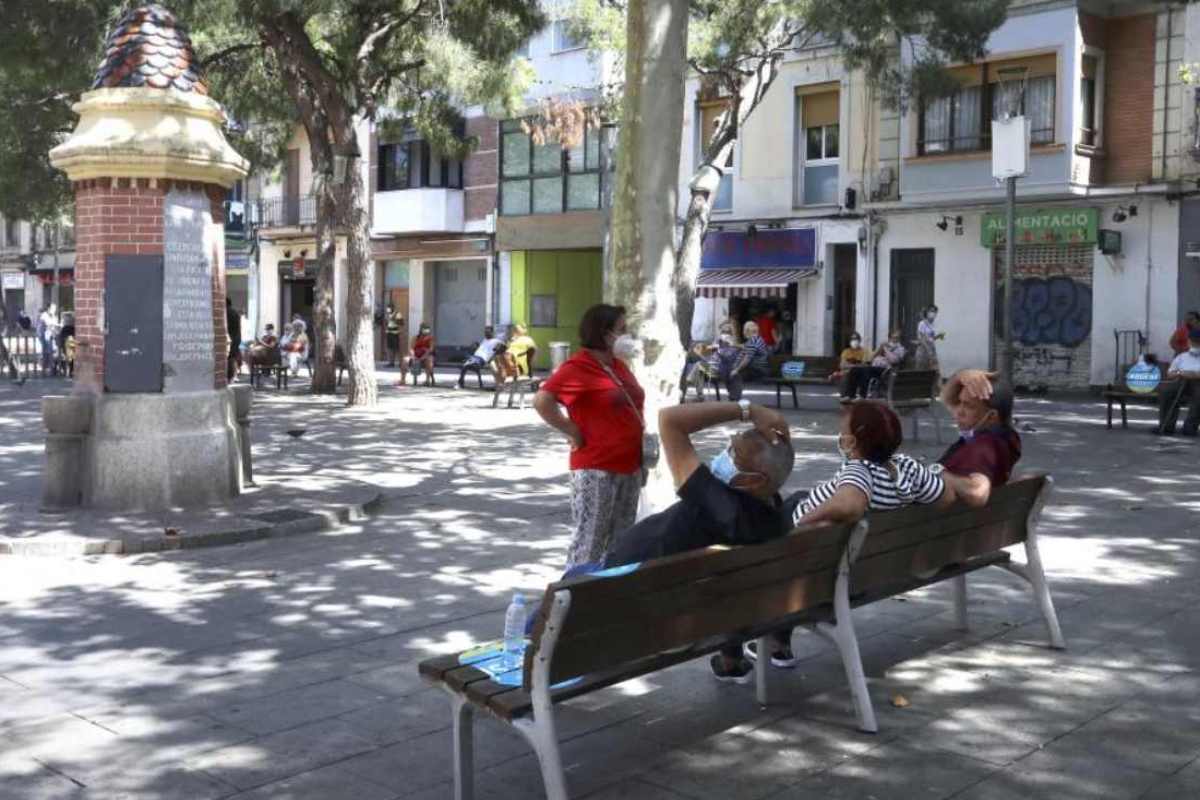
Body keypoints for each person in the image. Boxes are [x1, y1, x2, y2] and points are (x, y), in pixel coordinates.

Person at [744, 401, 949, 670]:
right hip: (863, 560)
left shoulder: (859, 470)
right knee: (793, 500)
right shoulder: (907, 468)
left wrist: (802, 523)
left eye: (843, 431)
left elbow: (850, 504)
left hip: (814, 560)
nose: (840, 437)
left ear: (853, 442)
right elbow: (945, 496)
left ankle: (734, 656)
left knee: (746, 538)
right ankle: (778, 643)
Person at [599, 400, 794, 682]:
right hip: (700, 606)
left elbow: (669, 420)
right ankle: (731, 660)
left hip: (627, 592)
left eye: (733, 454)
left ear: (755, 480)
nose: (724, 457)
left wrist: (747, 411)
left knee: (550, 609)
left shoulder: (719, 506)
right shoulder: (771, 516)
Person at [533, 304, 645, 568]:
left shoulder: (619, 366)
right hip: (597, 468)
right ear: (605, 334)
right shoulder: (578, 366)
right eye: (623, 330)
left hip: (630, 465)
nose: (628, 335)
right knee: (590, 541)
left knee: (622, 540)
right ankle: (576, 595)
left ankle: (610, 595)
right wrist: (571, 429)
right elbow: (542, 401)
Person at [937, 369, 1022, 506]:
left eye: (968, 406)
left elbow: (977, 492)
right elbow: (947, 399)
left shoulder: (984, 447)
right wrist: (960, 377)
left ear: (992, 416)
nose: (959, 412)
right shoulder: (1007, 438)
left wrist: (934, 474)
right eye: (960, 402)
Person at [1158, 327, 1200, 436]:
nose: (1195, 344)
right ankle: (1167, 426)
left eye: (1198, 342)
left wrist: (1194, 374)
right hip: (1180, 381)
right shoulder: (1181, 357)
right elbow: (1170, 374)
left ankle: (1190, 427)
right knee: (1167, 393)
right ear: (1189, 342)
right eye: (1194, 341)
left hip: (1198, 383)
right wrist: (1180, 373)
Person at [725, 320, 771, 401]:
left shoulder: (753, 342)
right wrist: (734, 345)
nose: (743, 332)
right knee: (729, 371)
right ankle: (733, 396)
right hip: (759, 368)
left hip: (758, 370)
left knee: (734, 374)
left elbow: (747, 359)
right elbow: (744, 346)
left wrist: (736, 369)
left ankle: (734, 398)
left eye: (744, 330)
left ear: (747, 331)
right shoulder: (757, 339)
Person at [837, 332, 869, 400]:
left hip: (859, 373)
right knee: (846, 375)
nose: (854, 341)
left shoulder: (863, 351)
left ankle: (854, 396)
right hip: (847, 372)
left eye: (856, 339)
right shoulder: (846, 351)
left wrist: (850, 365)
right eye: (852, 339)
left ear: (859, 340)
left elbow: (864, 365)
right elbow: (842, 365)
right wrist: (856, 365)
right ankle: (845, 396)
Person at [914, 305, 944, 372]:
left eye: (934, 311)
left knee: (934, 370)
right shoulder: (922, 324)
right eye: (931, 311)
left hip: (931, 348)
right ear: (927, 312)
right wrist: (928, 350)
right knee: (920, 370)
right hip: (923, 349)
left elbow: (931, 338)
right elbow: (921, 338)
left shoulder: (934, 324)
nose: (932, 313)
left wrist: (938, 336)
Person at [36, 304, 59, 373]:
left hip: (51, 336)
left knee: (51, 351)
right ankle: (46, 367)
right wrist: (54, 326)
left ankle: (50, 367)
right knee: (46, 351)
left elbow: (54, 326)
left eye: (55, 309)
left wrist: (55, 328)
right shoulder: (44, 315)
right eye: (53, 309)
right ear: (49, 309)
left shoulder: (54, 316)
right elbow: (48, 324)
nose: (54, 310)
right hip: (44, 336)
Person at [225, 297, 242, 382]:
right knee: (234, 357)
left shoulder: (226, 312)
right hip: (237, 337)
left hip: (230, 337)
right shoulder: (235, 312)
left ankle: (231, 376)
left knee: (229, 357)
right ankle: (235, 375)